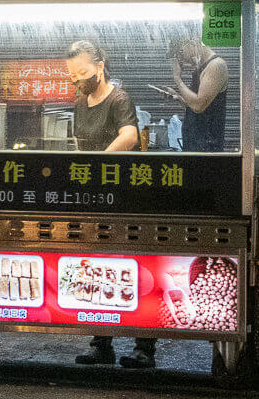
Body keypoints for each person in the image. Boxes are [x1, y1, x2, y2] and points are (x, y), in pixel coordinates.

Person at [64, 40, 154, 369]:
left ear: (100, 66)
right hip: (92, 195)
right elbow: (78, 144)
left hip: (124, 194)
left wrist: (99, 165)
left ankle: (144, 347)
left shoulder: (119, 98)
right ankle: (101, 342)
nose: (78, 80)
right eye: (73, 75)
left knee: (134, 265)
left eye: (83, 72)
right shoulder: (79, 101)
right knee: (98, 265)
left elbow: (129, 137)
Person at [166, 36, 228, 152]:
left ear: (191, 43)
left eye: (180, 52)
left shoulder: (216, 65)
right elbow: (197, 110)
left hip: (207, 151)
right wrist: (179, 98)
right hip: (194, 146)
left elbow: (199, 106)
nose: (181, 59)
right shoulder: (201, 68)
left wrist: (177, 79)